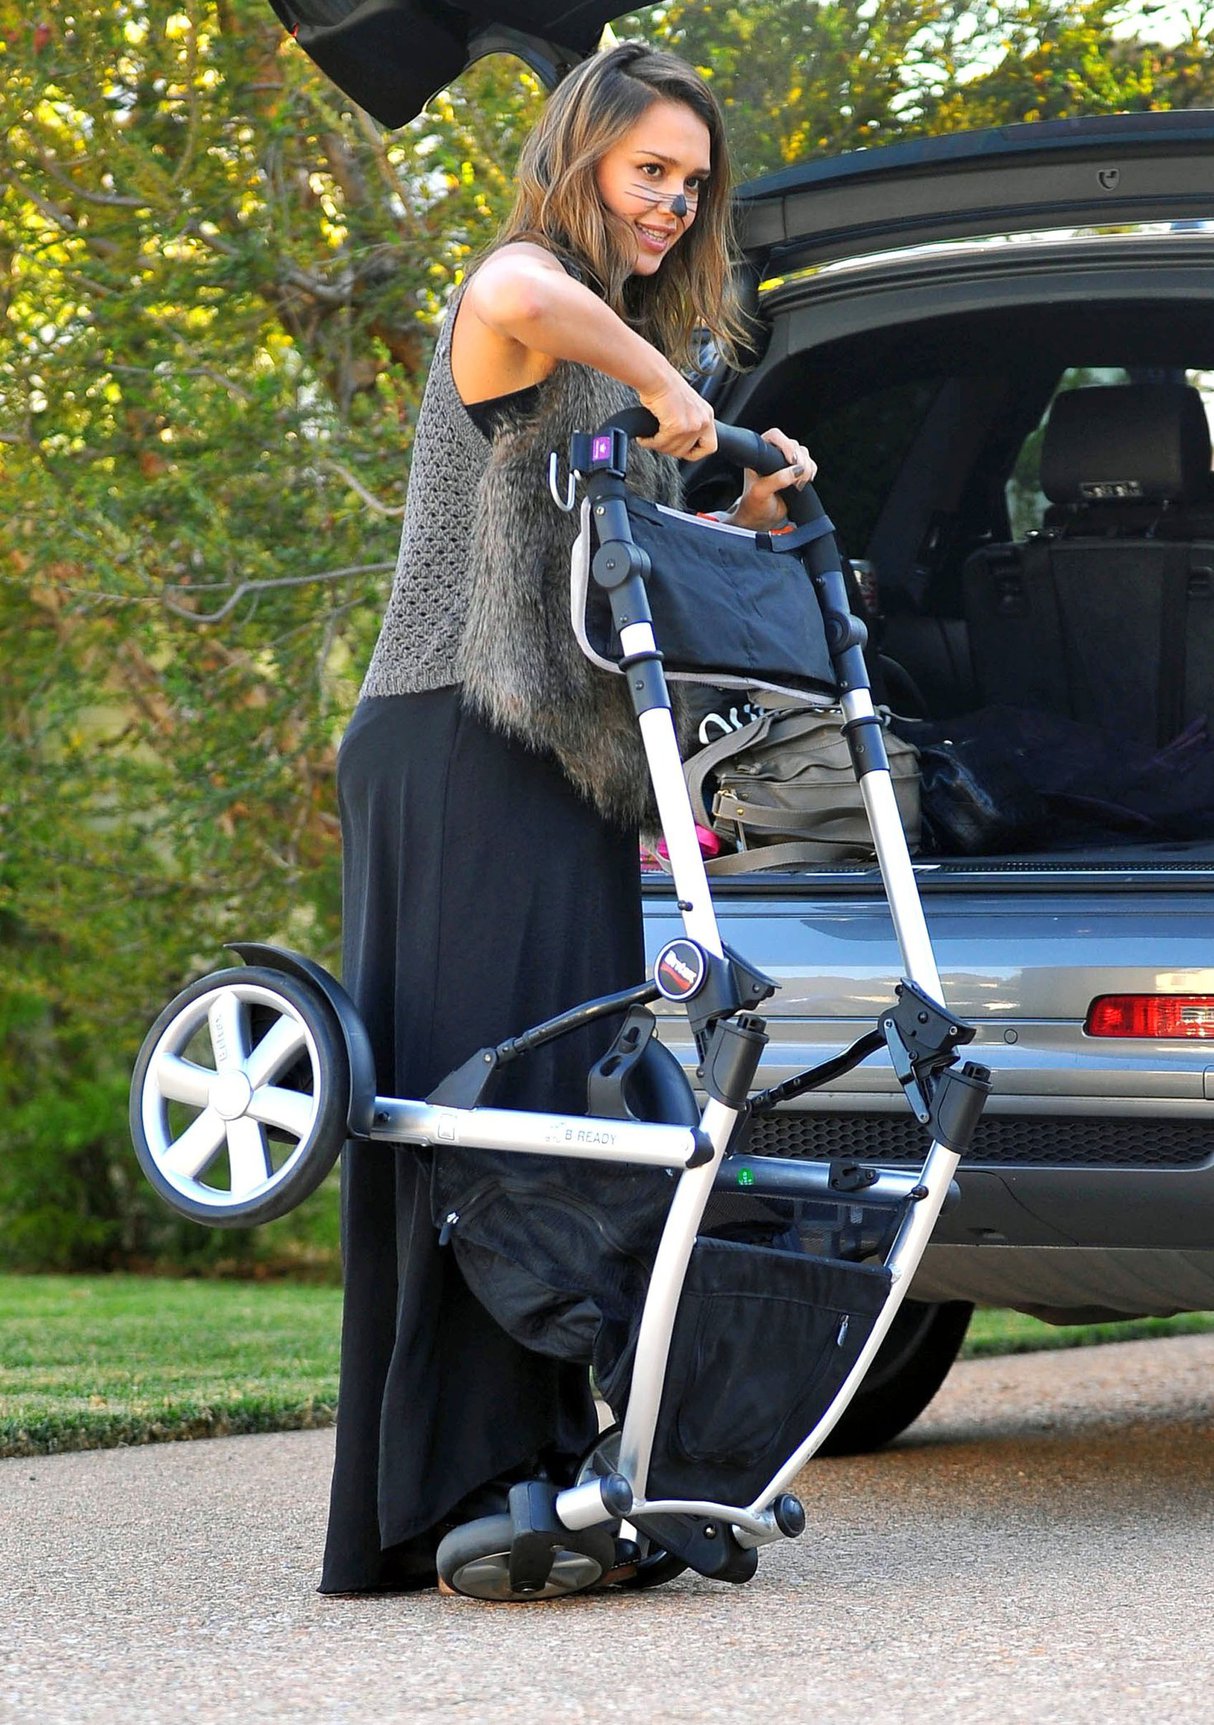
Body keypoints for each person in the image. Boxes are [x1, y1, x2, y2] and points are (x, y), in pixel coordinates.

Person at [319, 40, 816, 1596]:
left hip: (569, 775)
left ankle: (539, 1470)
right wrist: (678, 387)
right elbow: (508, 293)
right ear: (584, 159)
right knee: (475, 1110)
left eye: (690, 179)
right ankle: (433, 1497)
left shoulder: (633, 357)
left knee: (559, 1104)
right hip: (451, 743)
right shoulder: (528, 293)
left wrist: (733, 502)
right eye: (647, 168)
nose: (671, 201)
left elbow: (618, 577)